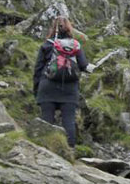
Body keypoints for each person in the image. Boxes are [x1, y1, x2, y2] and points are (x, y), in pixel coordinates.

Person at [33, 17, 89, 148]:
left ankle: (46, 150)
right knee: (68, 121)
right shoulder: (75, 45)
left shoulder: (47, 44)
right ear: (69, 28)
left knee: (47, 121)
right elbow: (83, 65)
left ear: (53, 27)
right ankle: (70, 151)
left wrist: (37, 89)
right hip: (69, 90)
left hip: (47, 87)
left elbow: (38, 69)